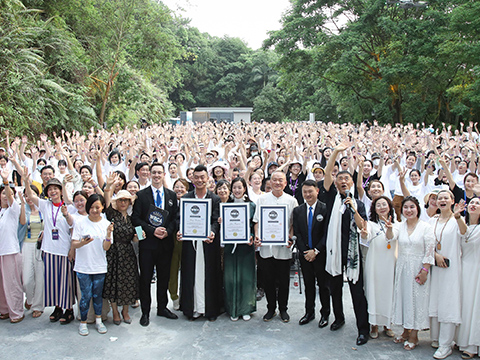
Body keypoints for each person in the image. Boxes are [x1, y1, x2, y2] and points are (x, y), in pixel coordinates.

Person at [321, 144, 369, 345]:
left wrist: (353, 209)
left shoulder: (358, 202)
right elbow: (326, 173)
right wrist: (336, 153)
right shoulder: (332, 197)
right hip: (334, 251)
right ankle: (338, 318)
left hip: (352, 253)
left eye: (346, 178)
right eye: (339, 178)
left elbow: (363, 227)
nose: (342, 181)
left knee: (357, 293)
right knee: (335, 288)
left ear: (351, 182)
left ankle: (362, 329)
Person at [24, 175, 76, 325]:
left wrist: (72, 249)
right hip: (49, 250)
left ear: (60, 191)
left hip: (64, 250)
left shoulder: (68, 207)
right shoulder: (45, 205)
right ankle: (58, 307)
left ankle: (69, 309)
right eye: (50, 189)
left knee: (66, 282)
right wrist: (27, 183)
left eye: (55, 189)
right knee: (53, 282)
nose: (53, 191)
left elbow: (72, 228)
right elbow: (31, 196)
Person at [132, 163, 179, 327]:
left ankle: (162, 307)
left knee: (164, 278)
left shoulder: (171, 195)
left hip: (166, 243)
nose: (157, 175)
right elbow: (136, 220)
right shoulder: (141, 195)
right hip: (147, 245)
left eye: (159, 172)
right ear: (150, 175)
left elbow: (175, 218)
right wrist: (152, 231)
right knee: (145, 278)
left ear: (164, 174)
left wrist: (168, 231)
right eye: (154, 172)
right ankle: (145, 311)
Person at [178, 165, 223, 321]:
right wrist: (180, 231)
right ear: (192, 179)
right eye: (196, 177)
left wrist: (212, 231)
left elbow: (215, 221)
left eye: (202, 177)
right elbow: (180, 220)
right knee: (191, 274)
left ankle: (210, 309)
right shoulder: (186, 198)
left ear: (207, 178)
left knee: (210, 274)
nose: (199, 180)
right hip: (191, 243)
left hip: (208, 244)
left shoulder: (214, 198)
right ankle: (193, 308)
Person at [253, 170, 298, 323]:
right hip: (266, 248)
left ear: (285, 183)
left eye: (281, 180)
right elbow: (257, 220)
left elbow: (293, 223)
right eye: (274, 180)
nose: (277, 183)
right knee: (268, 281)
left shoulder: (291, 200)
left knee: (284, 281)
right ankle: (271, 308)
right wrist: (257, 236)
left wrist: (290, 237)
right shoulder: (262, 199)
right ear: (270, 183)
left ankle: (283, 309)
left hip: (283, 248)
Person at [392, 196, 435, 351]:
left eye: (412, 207)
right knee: (404, 299)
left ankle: (414, 335)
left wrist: (425, 270)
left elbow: (430, 249)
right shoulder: (399, 226)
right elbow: (390, 237)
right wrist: (389, 227)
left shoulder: (426, 227)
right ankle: (405, 330)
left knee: (417, 301)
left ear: (417, 209)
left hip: (418, 268)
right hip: (402, 268)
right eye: (406, 207)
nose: (409, 210)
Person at [429, 190, 466, 359]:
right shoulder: (432, 220)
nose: (442, 200)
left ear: (452, 201)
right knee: (435, 300)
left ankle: (446, 344)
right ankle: (436, 338)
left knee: (448, 302)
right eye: (439, 198)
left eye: (446, 198)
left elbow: (464, 233)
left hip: (451, 269)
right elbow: (427, 242)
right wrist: (435, 255)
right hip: (435, 266)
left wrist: (458, 217)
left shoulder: (457, 220)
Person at [71, 194, 113, 336]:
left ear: (102, 208)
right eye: (92, 207)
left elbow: (106, 247)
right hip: (83, 266)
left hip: (99, 266)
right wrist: (83, 242)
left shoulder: (106, 224)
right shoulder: (80, 222)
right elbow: (74, 244)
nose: (95, 210)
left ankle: (99, 320)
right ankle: (83, 322)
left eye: (98, 207)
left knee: (97, 295)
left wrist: (108, 234)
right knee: (86, 295)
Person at [292, 180, 329, 327]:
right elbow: (297, 233)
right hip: (305, 254)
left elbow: (326, 234)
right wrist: (305, 251)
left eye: (310, 191)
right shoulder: (298, 210)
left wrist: (316, 251)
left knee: (323, 286)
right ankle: (309, 312)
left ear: (317, 191)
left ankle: (325, 314)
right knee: (308, 285)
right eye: (305, 192)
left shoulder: (325, 209)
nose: (307, 194)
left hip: (321, 254)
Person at [359, 196, 397, 339]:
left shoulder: (396, 223)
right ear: (374, 209)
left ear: (389, 207)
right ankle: (373, 324)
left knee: (388, 293)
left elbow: (391, 238)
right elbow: (365, 238)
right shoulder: (370, 224)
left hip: (389, 263)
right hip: (374, 262)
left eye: (384, 204)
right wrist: (363, 233)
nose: (381, 207)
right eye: (378, 205)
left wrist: (389, 229)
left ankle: (387, 324)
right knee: (373, 292)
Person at [103, 183, 140, 325]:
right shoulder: (112, 215)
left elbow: (136, 239)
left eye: (126, 200)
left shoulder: (132, 219)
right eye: (120, 200)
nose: (123, 203)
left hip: (128, 252)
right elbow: (106, 199)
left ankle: (125, 311)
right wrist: (110, 186)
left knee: (128, 282)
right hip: (114, 252)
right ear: (116, 202)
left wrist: (140, 235)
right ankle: (115, 311)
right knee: (113, 282)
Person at [224, 177, 256, 321]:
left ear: (245, 189)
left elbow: (256, 226)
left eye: (240, 187)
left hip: (246, 246)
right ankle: (233, 309)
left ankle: (245, 308)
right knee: (230, 278)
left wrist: (252, 236)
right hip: (230, 245)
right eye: (234, 187)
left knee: (246, 277)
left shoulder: (251, 206)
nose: (237, 190)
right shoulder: (225, 206)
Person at [456, 197, 480, 359]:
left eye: (478, 203)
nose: (474, 205)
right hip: (463, 269)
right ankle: (462, 340)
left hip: (477, 270)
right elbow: (465, 233)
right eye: (472, 202)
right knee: (465, 305)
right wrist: (457, 217)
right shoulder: (462, 225)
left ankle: (473, 344)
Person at [0, 169, 24, 323]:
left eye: (6, 194)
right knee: (1, 284)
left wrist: (6, 181)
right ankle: (4, 310)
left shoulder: (13, 209)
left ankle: (16, 311)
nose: (5, 196)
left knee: (12, 283)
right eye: (1, 193)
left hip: (10, 251)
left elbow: (9, 195)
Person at [21, 185, 45, 319]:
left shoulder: (43, 210)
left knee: (40, 278)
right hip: (26, 246)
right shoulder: (22, 211)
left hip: (40, 246)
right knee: (27, 280)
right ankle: (29, 299)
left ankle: (37, 306)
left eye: (32, 194)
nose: (29, 197)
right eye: (26, 195)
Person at [168, 179, 189, 311]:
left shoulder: (190, 202)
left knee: (187, 269)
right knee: (172, 269)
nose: (179, 189)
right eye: (177, 187)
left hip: (187, 239)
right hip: (172, 239)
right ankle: (174, 297)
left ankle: (186, 297)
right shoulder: (169, 203)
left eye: (182, 187)